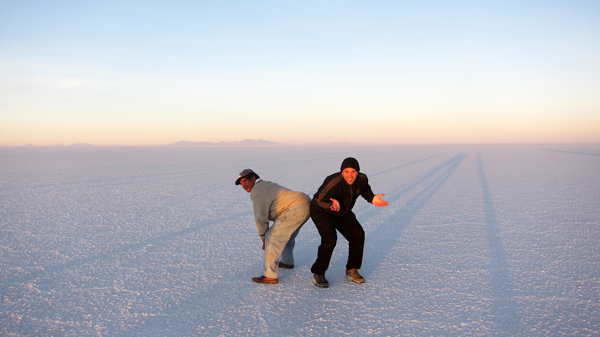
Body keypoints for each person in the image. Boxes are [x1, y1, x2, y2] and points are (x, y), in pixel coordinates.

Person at [310, 157, 388, 288]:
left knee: (358, 234)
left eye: (353, 171)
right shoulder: (333, 181)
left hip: (342, 212)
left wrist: (372, 198)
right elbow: (319, 200)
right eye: (346, 171)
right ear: (342, 172)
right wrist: (331, 204)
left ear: (358, 172)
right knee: (330, 239)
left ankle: (352, 269)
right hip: (321, 212)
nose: (350, 175)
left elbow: (365, 190)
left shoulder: (362, 180)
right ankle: (319, 272)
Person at [235, 169, 311, 284]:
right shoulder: (265, 185)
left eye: (245, 181)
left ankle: (269, 275)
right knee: (288, 236)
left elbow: (260, 218)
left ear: (254, 179)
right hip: (305, 204)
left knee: (271, 237)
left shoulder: (257, 190)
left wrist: (264, 238)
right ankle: (287, 262)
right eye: (241, 183)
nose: (243, 185)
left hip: (295, 208)